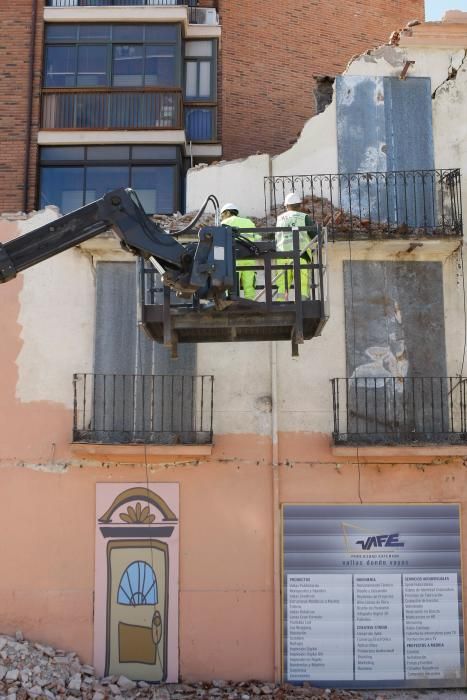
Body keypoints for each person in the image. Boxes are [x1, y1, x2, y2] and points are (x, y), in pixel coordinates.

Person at [275, 192, 316, 301]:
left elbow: (276, 237)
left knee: (283, 285)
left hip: (282, 257)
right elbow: (314, 236)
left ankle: (280, 305)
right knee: (302, 284)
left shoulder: (279, 218)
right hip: (300, 256)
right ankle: (302, 305)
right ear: (299, 205)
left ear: (286, 205)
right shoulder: (304, 217)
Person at [221, 202, 259, 301]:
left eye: (222, 215)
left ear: (228, 213)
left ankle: (231, 305)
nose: (222, 217)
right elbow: (258, 239)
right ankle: (251, 305)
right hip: (249, 258)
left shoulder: (224, 224)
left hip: (233, 260)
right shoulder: (249, 222)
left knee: (230, 287)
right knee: (249, 286)